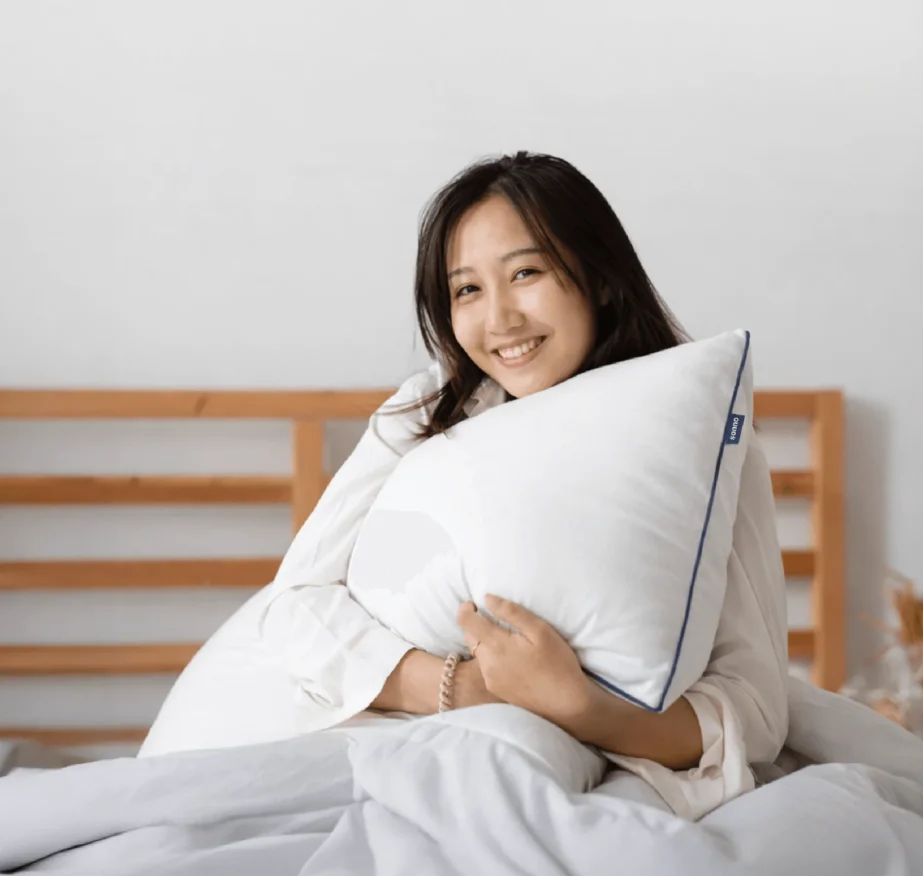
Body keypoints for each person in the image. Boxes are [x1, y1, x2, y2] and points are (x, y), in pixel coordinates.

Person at [256, 152, 789, 810]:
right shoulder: (422, 418)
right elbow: (293, 604)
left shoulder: (703, 439)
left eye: (526, 273)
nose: (500, 319)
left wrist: (578, 707)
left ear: (596, 277)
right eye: (467, 290)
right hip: (408, 746)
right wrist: (465, 687)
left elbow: (755, 707)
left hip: (612, 775)